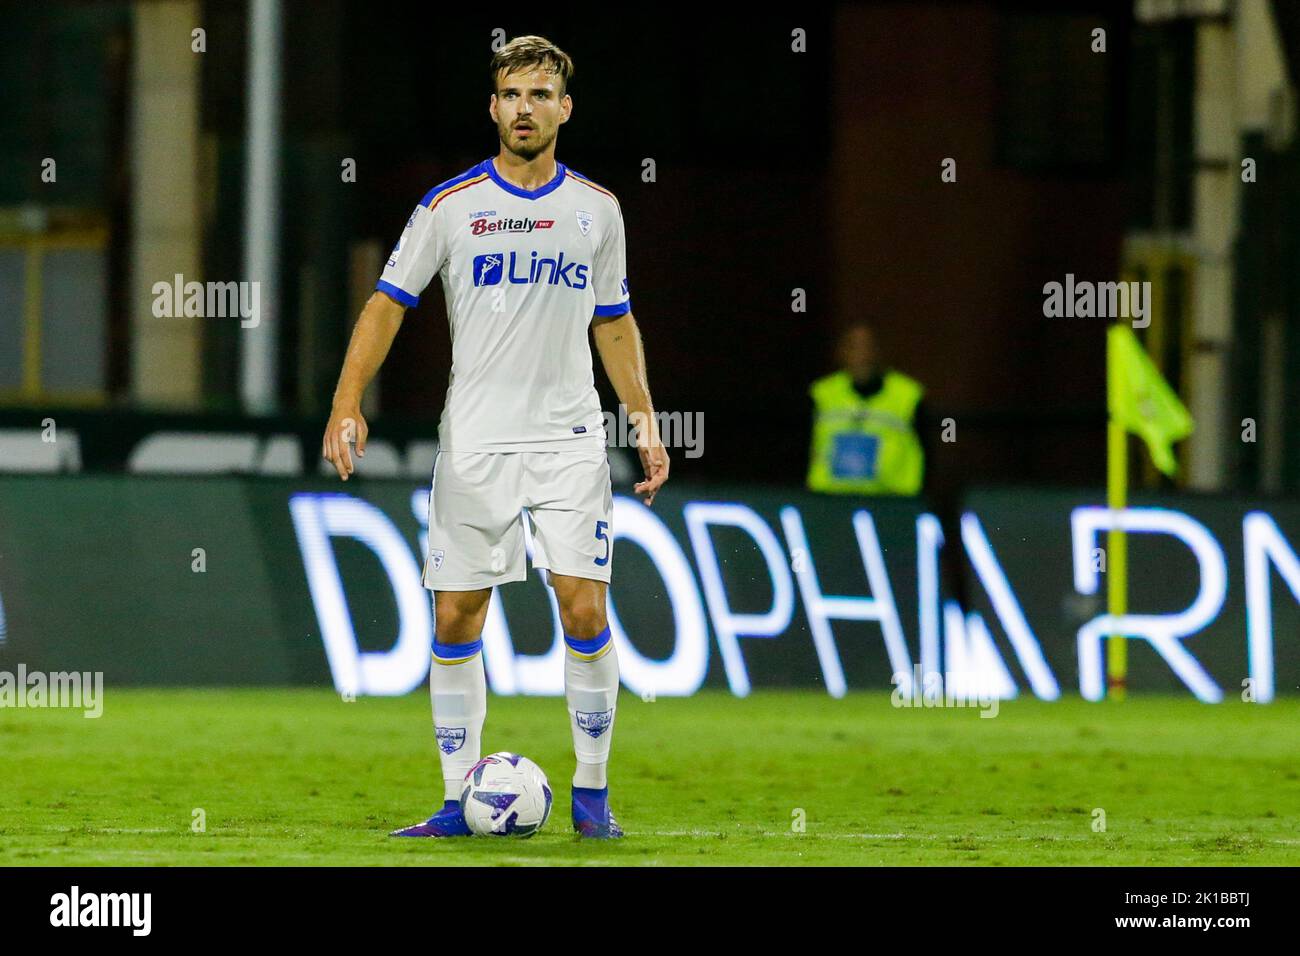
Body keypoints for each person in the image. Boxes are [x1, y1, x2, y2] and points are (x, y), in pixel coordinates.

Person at [321, 35, 669, 839]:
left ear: (564, 109)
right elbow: (386, 304)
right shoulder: (448, 206)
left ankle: (591, 795)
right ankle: (455, 800)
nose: (525, 108)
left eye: (541, 94)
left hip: (571, 441)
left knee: (582, 607)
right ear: (493, 107)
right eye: (512, 95)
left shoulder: (597, 210)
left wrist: (644, 422)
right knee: (455, 619)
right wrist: (347, 400)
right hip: (474, 442)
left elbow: (614, 324)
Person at [806, 321, 927, 495]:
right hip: (830, 500)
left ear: (881, 352)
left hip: (891, 502)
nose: (863, 355)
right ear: (842, 353)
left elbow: (927, 455)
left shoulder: (908, 395)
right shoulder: (821, 394)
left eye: (869, 347)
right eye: (854, 347)